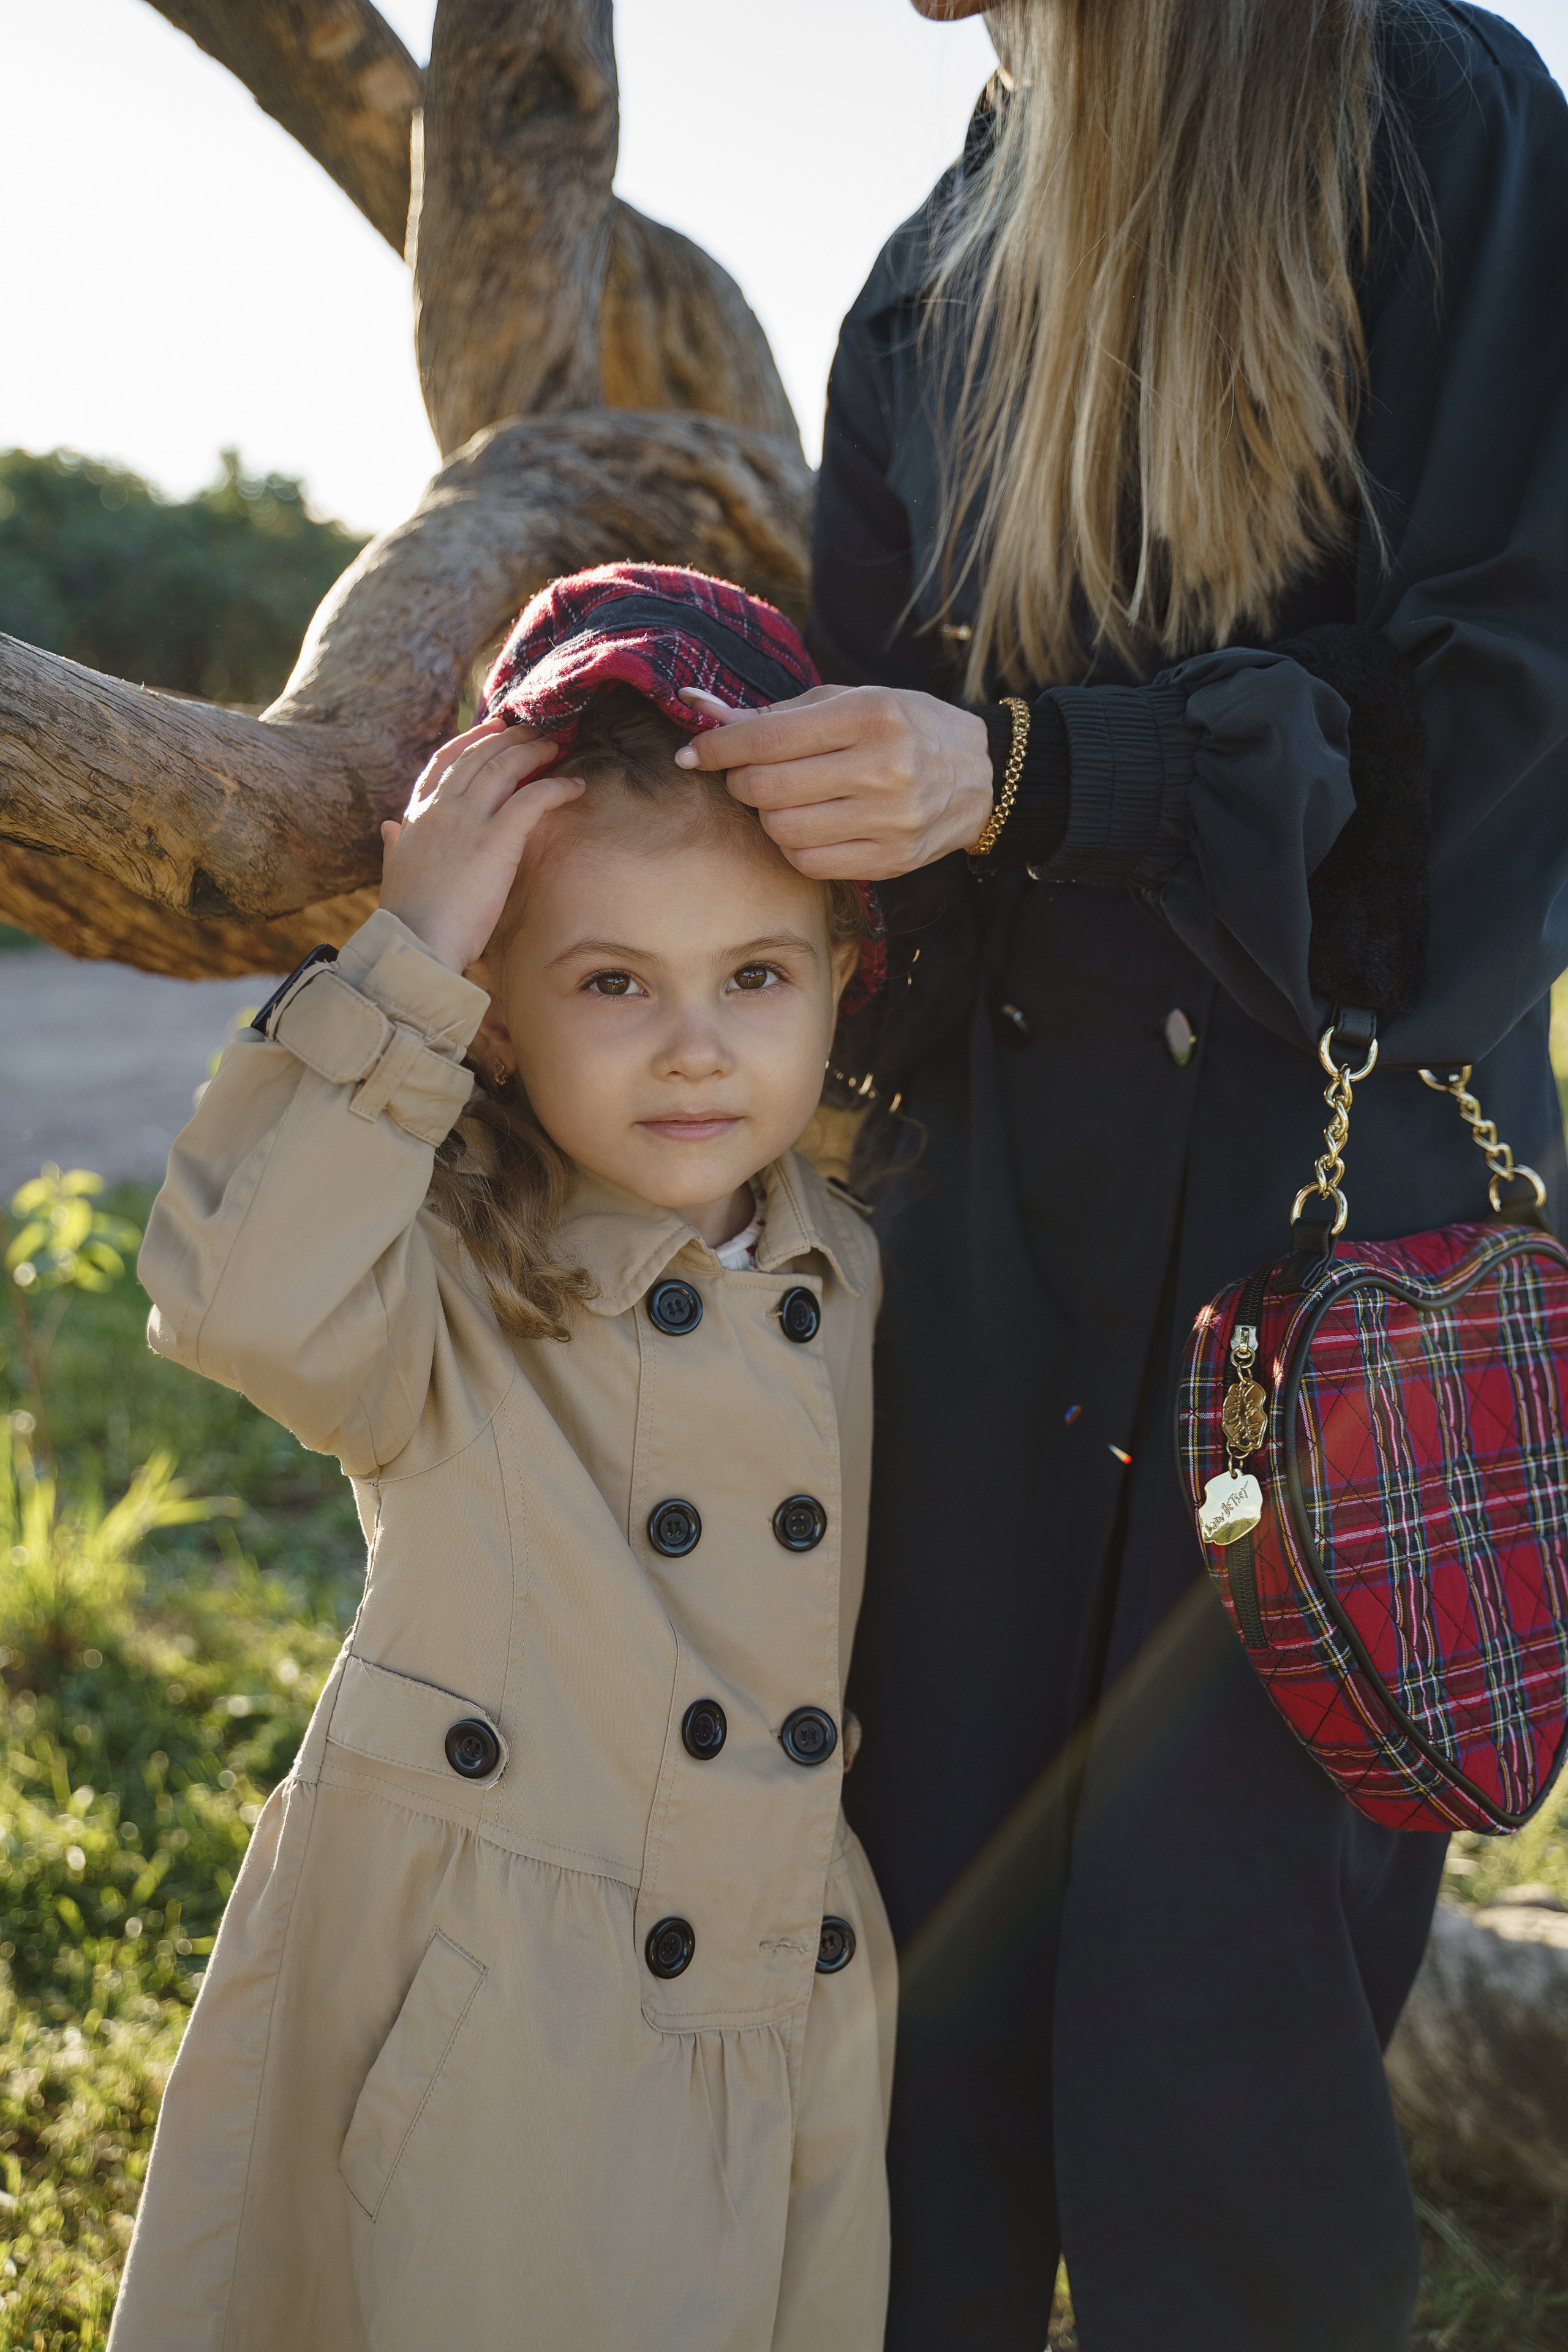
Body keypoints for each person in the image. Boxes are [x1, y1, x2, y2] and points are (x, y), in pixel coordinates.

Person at [674, 4, 1568, 2345]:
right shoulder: (921, 274)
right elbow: (897, 882)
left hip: (1336, 1295)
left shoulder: (1436, 114)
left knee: (1234, 2097)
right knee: (912, 2065)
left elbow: (1499, 786)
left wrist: (1052, 776)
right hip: (978, 1286)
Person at [107, 567, 896, 2352]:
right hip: (494, 2003)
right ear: (497, 1009)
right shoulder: (447, 1272)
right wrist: (403, 955)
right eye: (612, 980)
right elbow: (236, 1305)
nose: (696, 1047)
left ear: (839, 983)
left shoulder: (857, 1265)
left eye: (754, 975)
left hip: (778, 1965)